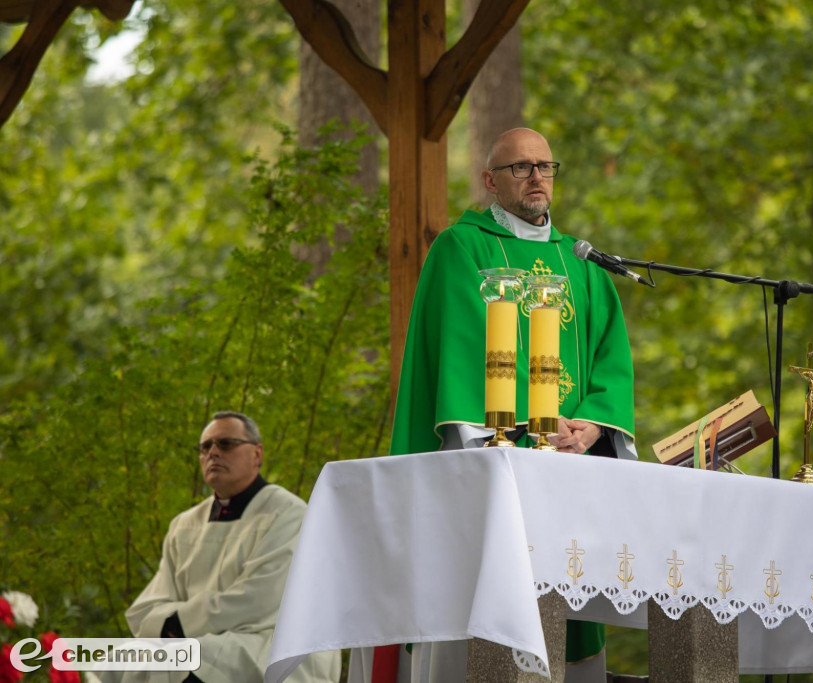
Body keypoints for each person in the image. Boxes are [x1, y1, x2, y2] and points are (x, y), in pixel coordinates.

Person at [360, 128, 636, 683]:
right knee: (483, 604)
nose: (536, 176)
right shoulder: (462, 248)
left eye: (545, 166)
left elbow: (612, 358)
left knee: (564, 606)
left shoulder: (581, 261)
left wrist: (590, 427)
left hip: (572, 467)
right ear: (490, 180)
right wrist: (537, 424)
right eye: (520, 167)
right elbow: (461, 351)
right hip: (494, 464)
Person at [113, 412, 340, 683]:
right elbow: (150, 604)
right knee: (117, 660)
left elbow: (258, 600)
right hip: (202, 639)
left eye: (226, 444)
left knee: (188, 659)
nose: (213, 452)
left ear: (257, 454)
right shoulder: (184, 524)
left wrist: (178, 624)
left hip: (270, 643)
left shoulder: (289, 514)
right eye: (205, 447)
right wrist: (174, 626)